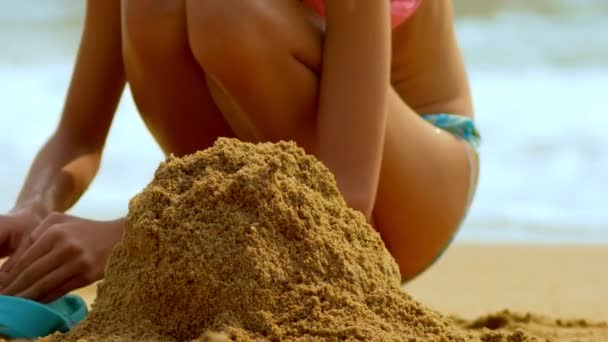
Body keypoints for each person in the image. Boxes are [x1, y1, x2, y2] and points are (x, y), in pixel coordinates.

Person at [0, 0, 480, 303]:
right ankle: (230, 251)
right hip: (272, 204)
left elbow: (349, 200)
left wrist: (133, 236)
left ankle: (216, 228)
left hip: (411, 185)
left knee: (226, 11)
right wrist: (34, 209)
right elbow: (78, 136)